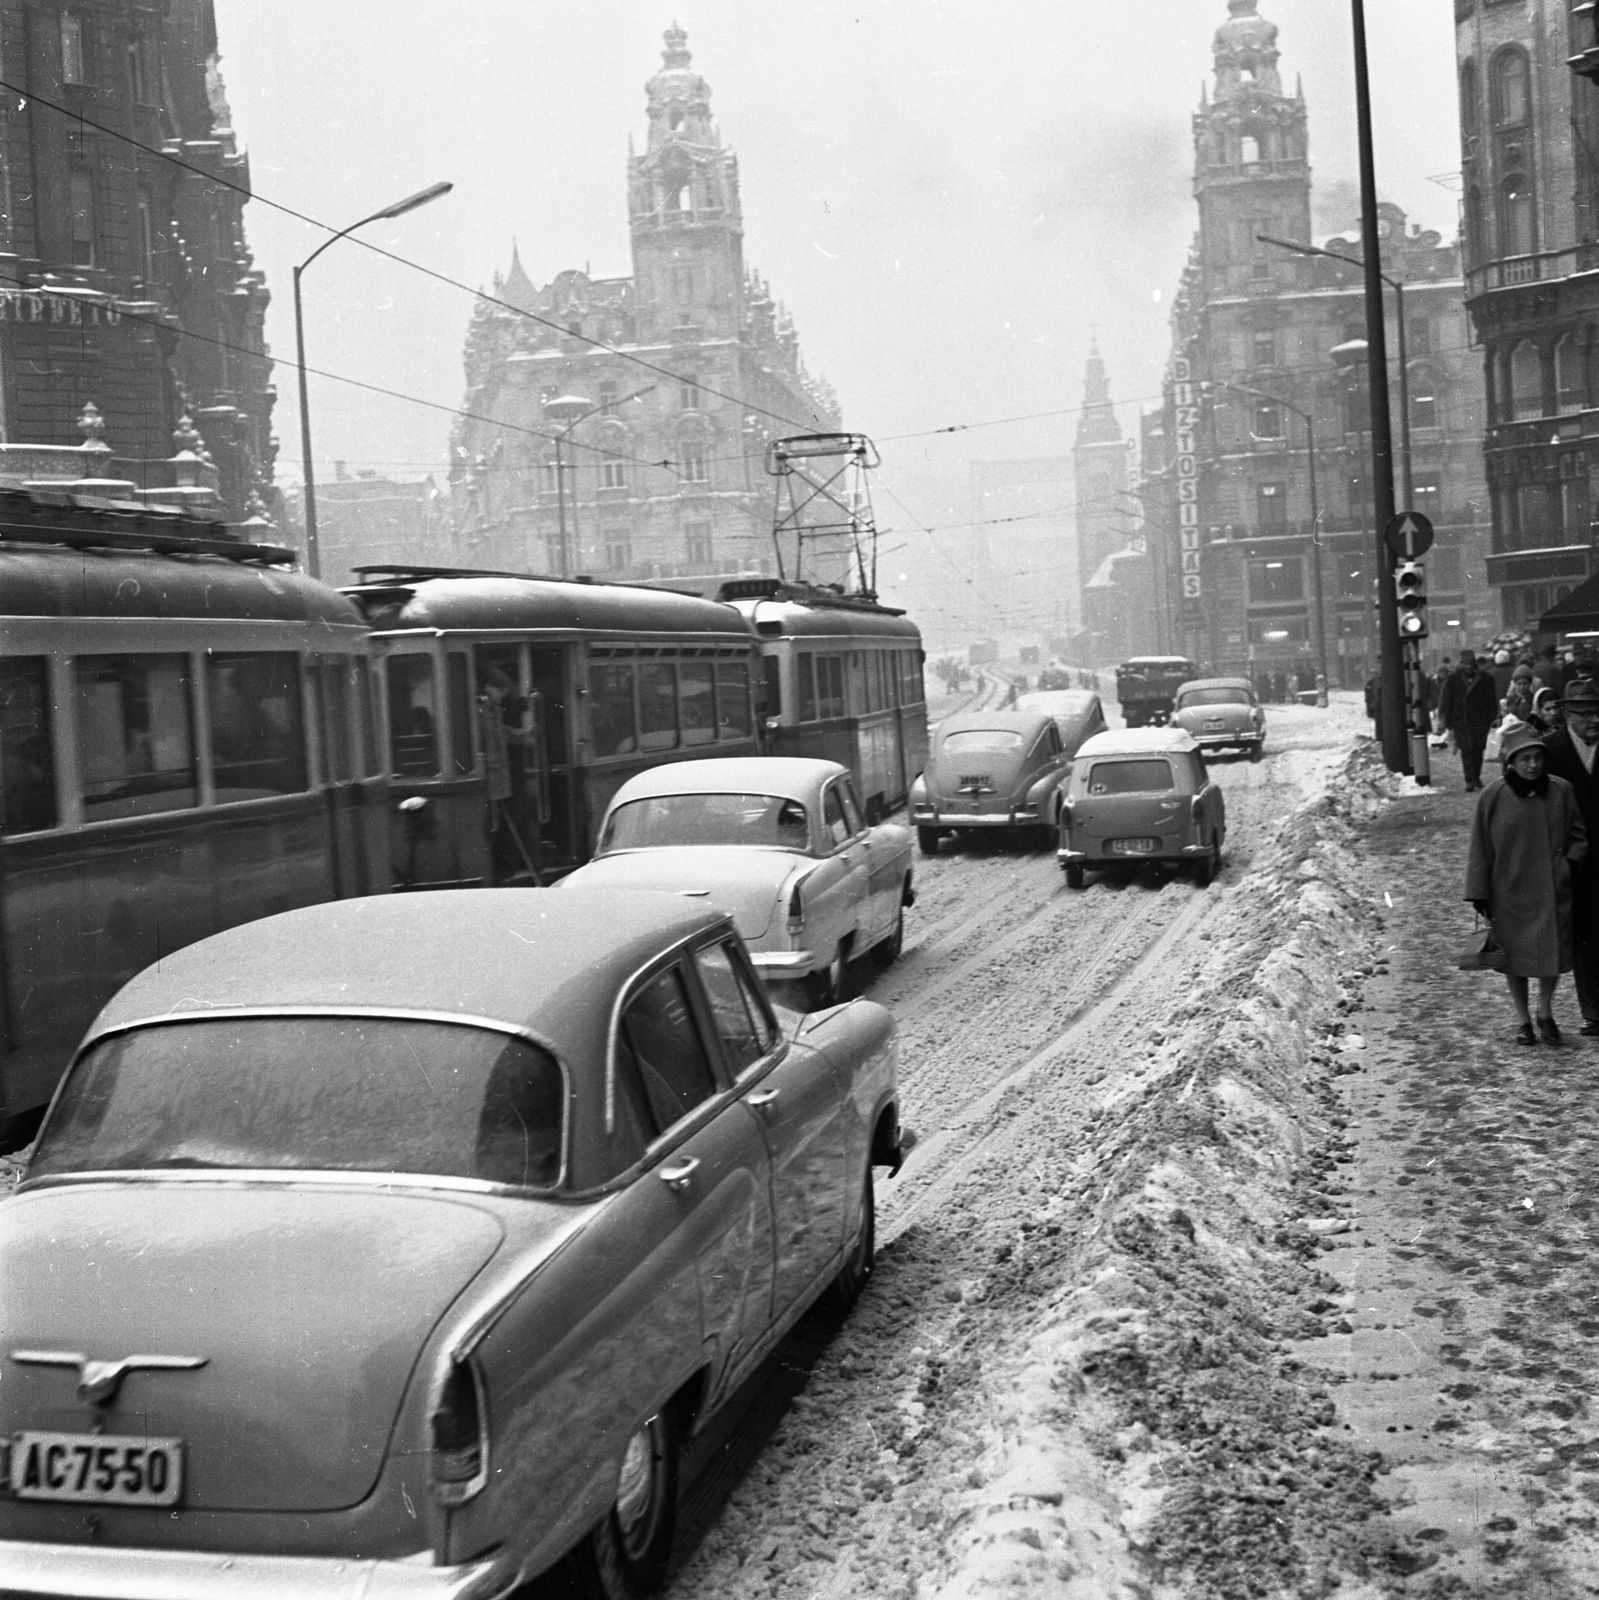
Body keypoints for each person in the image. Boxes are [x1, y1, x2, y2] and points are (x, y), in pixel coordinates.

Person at [1465, 720, 1588, 1045]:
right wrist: (1479, 894)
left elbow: (1578, 835)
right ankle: (1523, 1022)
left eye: (1537, 757)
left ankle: (1545, 1012)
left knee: (1550, 955)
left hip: (1552, 890)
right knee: (1514, 959)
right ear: (1510, 762)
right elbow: (1480, 846)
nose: (1533, 765)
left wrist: (1569, 865)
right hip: (1509, 893)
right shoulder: (1493, 796)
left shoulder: (1561, 791)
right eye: (1525, 759)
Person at [1542, 679, 1599, 1034]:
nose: (1594, 720)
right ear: (1566, 714)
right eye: (1585, 713)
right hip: (1574, 857)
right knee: (1583, 933)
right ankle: (1593, 1011)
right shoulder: (1550, 750)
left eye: (1598, 712)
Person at [1438, 652, 1498, 790]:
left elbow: (1491, 700)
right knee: (1466, 750)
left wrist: (1493, 718)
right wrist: (1448, 722)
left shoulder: (1485, 678)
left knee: (1477, 750)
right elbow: (1448, 701)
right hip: (1461, 720)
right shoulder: (1453, 680)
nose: (1469, 666)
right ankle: (1470, 779)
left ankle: (1475, 777)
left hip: (1480, 720)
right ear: (1461, 664)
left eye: (1471, 663)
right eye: (1466, 663)